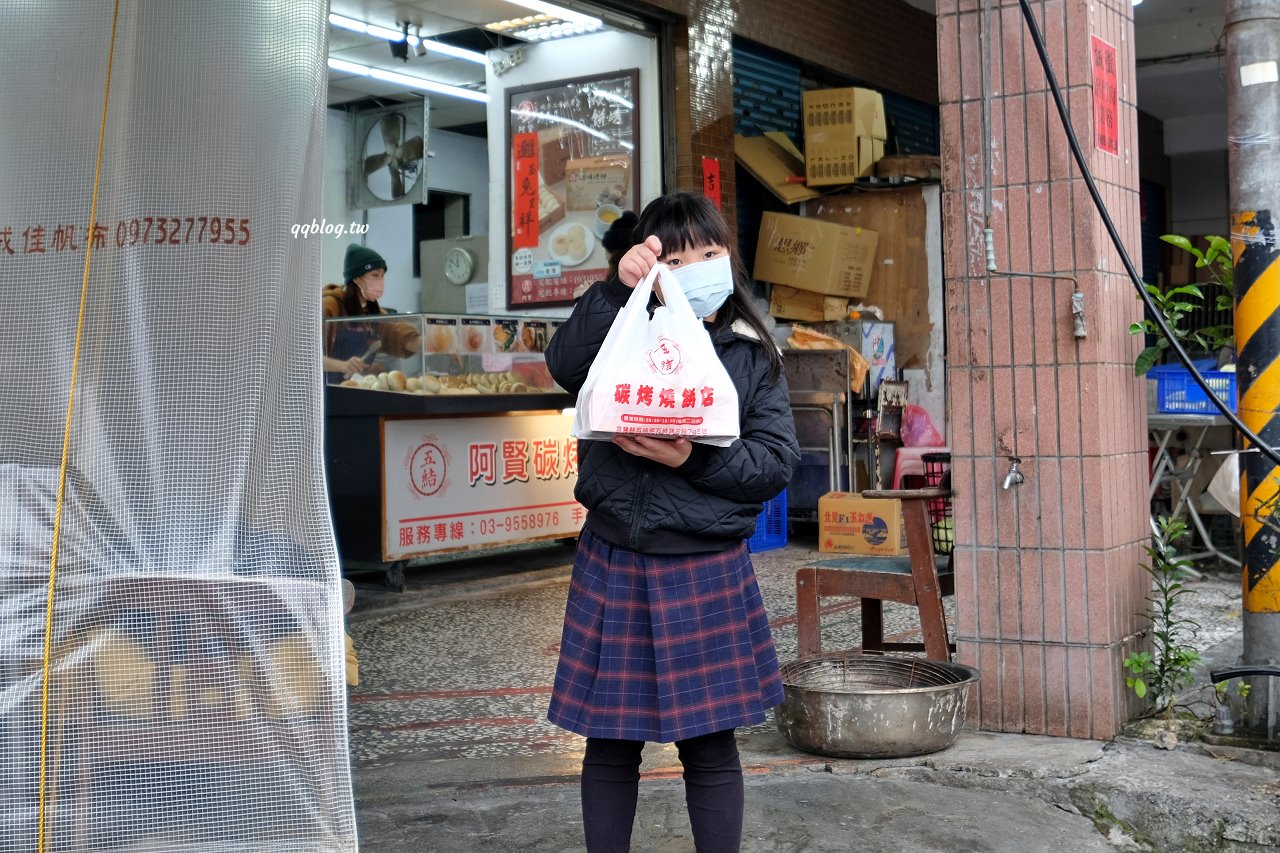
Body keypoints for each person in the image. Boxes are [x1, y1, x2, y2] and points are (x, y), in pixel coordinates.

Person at [544, 192, 799, 852]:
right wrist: (611, 288)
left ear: (730, 260)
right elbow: (563, 366)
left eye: (711, 252)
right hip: (616, 554)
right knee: (610, 742)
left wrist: (692, 458)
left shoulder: (751, 353)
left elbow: (774, 463)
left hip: (705, 562)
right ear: (653, 268)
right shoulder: (624, 330)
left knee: (711, 747)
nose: (699, 266)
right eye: (677, 257)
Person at [322, 243, 422, 382]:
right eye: (375, 275)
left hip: (354, 389)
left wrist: (440, 342)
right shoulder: (329, 306)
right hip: (323, 393)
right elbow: (306, 354)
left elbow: (401, 337)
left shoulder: (374, 314)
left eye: (382, 276)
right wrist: (342, 365)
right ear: (357, 279)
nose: (380, 281)